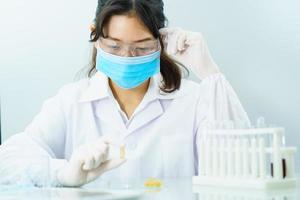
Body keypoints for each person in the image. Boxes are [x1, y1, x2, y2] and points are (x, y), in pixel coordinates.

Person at [0, 0, 250, 187]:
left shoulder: (194, 101)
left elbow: (241, 170)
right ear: (94, 34)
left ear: (160, 42)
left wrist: (210, 74)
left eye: (142, 48)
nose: (127, 58)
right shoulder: (71, 102)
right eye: (114, 46)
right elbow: (8, 162)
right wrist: (62, 174)